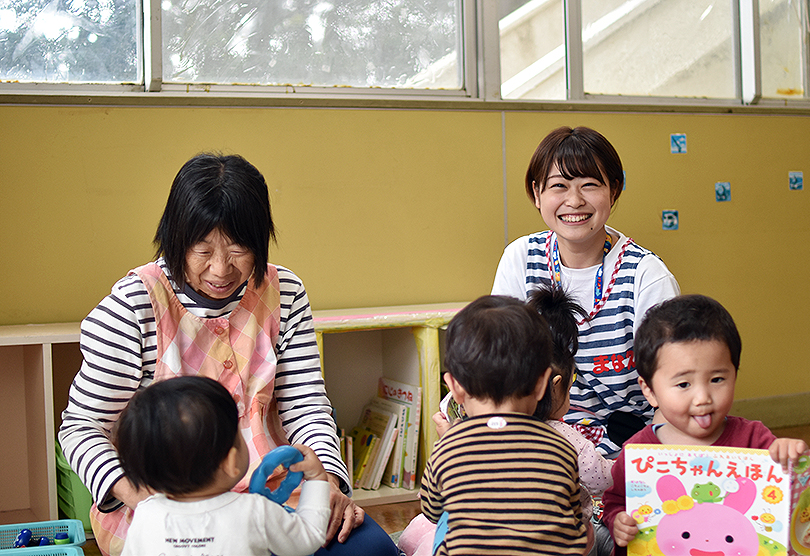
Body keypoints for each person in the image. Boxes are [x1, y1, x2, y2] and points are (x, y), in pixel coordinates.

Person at [57, 153, 398, 556]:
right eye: (202, 250)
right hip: (168, 501)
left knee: (371, 549)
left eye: (238, 249)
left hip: (271, 490)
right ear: (175, 239)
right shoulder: (133, 305)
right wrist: (144, 501)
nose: (221, 269)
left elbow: (305, 405)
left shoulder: (284, 291)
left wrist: (329, 484)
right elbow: (81, 427)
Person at [492, 125, 680, 457]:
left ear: (614, 190)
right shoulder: (521, 258)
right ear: (537, 194)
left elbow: (675, 384)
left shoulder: (646, 276)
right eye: (558, 186)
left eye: (589, 185)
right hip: (536, 441)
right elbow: (500, 364)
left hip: (626, 446)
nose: (574, 201)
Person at [601, 294, 808, 556]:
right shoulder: (638, 452)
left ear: (735, 371)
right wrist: (617, 520)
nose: (703, 399)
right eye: (684, 384)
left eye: (717, 379)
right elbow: (615, 501)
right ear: (650, 390)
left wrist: (788, 455)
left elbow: (784, 494)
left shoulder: (756, 440)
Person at [418, 295, 589, 555]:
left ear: (454, 388)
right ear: (543, 383)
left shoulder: (448, 447)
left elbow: (431, 511)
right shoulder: (561, 448)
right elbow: (573, 519)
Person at [115, 376, 331, 556]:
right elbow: (308, 538)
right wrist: (316, 479)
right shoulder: (255, 511)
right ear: (230, 462)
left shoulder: (145, 515)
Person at [528, 285, 613, 556]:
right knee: (608, 535)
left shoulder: (484, 430)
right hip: (562, 544)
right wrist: (625, 465)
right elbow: (602, 479)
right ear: (555, 386)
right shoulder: (566, 438)